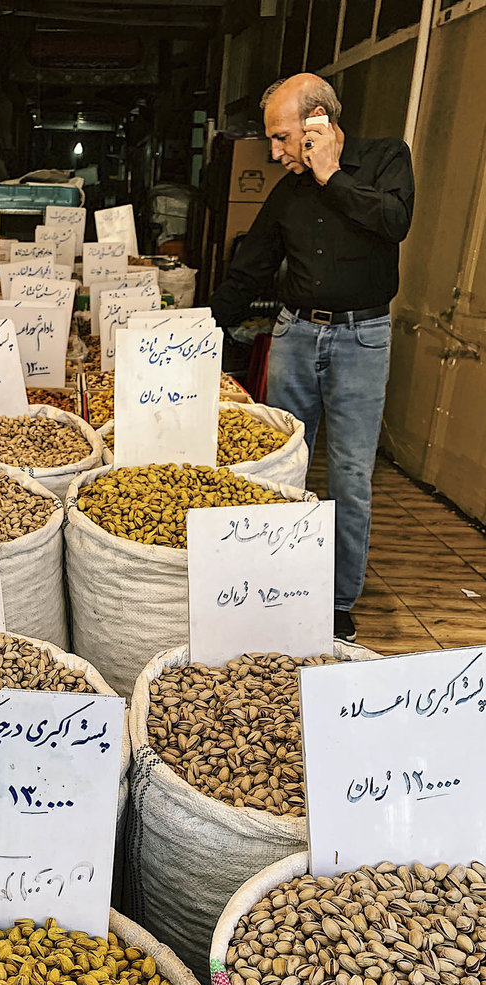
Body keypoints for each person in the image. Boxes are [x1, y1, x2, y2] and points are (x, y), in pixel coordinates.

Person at [210, 73, 415, 642]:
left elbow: (395, 222)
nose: (274, 154)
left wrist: (329, 175)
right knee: (279, 468)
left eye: (281, 138)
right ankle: (273, 586)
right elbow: (250, 268)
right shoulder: (286, 193)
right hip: (296, 335)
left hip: (361, 338)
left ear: (318, 122)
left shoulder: (384, 160)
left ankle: (336, 600)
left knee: (349, 474)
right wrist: (193, 332)